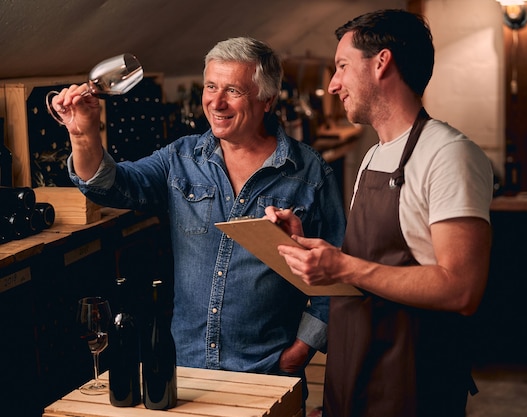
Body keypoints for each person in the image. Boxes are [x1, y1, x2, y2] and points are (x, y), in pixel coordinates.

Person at [50, 37, 346, 399]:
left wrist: (298, 353)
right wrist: (83, 136)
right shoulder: (181, 158)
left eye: (233, 90)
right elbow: (110, 187)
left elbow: (336, 279)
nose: (216, 102)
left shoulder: (309, 173)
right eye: (210, 86)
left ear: (267, 99)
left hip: (267, 371)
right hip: (187, 368)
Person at [265, 9, 493, 417]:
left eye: (342, 66)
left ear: (381, 62)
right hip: (353, 375)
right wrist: (307, 247)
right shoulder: (372, 157)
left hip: (411, 385)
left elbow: (462, 289)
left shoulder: (448, 154)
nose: (333, 85)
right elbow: (367, 268)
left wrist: (343, 267)